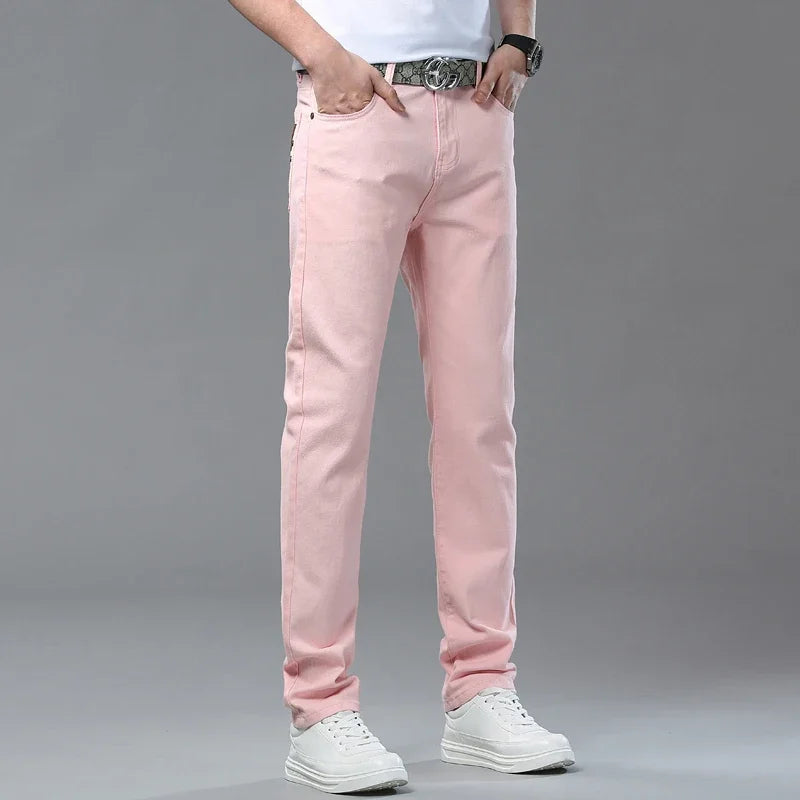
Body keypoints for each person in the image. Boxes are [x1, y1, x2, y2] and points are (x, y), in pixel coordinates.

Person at [228, 0, 574, 792]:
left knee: (481, 417)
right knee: (330, 413)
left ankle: (482, 687)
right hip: (360, 110)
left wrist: (519, 36)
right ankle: (320, 705)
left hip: (477, 114)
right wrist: (322, 54)